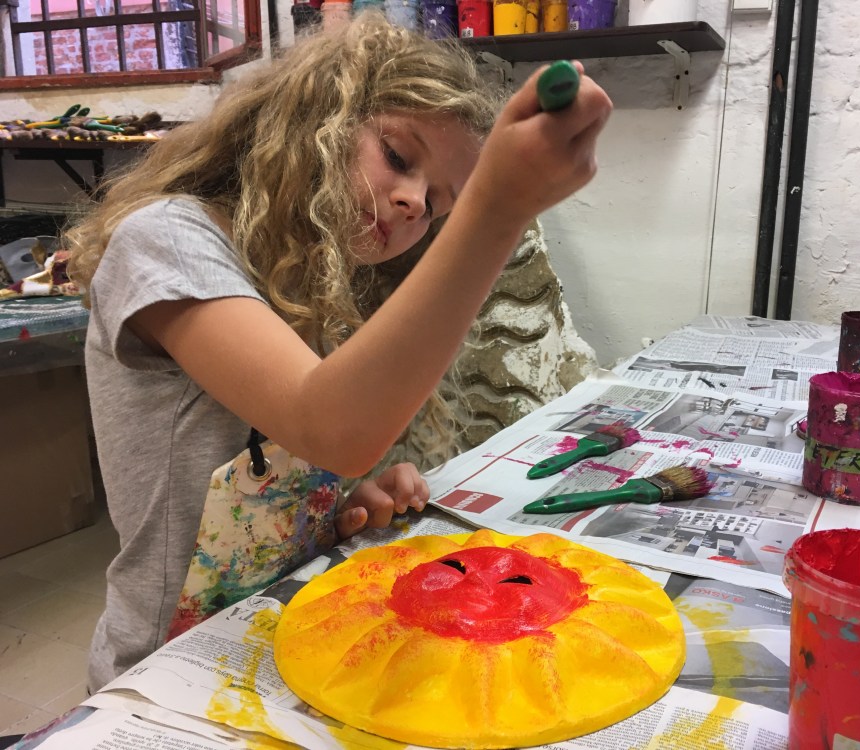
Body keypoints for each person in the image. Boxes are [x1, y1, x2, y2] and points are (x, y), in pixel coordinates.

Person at [66, 13, 612, 693]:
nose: (413, 202)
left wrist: (333, 499)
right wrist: (497, 206)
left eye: (438, 205)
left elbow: (295, 448)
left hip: (284, 635)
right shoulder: (167, 241)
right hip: (169, 668)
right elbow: (325, 423)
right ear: (317, 117)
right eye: (399, 157)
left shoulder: (314, 283)